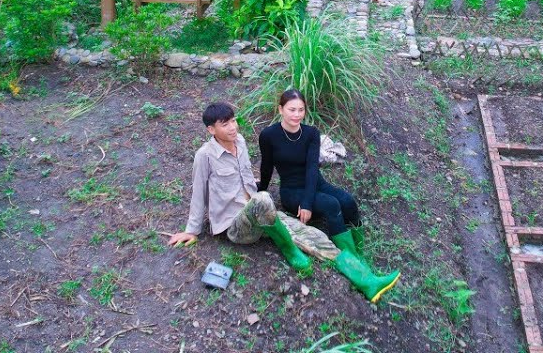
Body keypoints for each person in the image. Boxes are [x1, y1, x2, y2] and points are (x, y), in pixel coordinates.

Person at [259, 90, 400, 302]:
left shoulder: (311, 133)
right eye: (291, 110)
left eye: (301, 110)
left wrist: (308, 201)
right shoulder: (268, 135)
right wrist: (262, 188)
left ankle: (357, 254)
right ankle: (363, 278)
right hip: (292, 192)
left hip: (316, 183)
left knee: (348, 202)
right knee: (332, 205)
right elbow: (267, 166)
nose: (297, 115)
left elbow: (311, 170)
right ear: (280, 110)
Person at [168, 102, 334, 273]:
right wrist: (192, 230)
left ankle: (341, 258)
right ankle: (289, 250)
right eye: (225, 125)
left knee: (303, 231)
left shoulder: (240, 142)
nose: (233, 128)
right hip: (234, 226)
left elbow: (244, 176)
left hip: (256, 211)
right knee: (263, 198)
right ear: (211, 130)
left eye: (233, 121)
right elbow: (198, 192)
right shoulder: (205, 156)